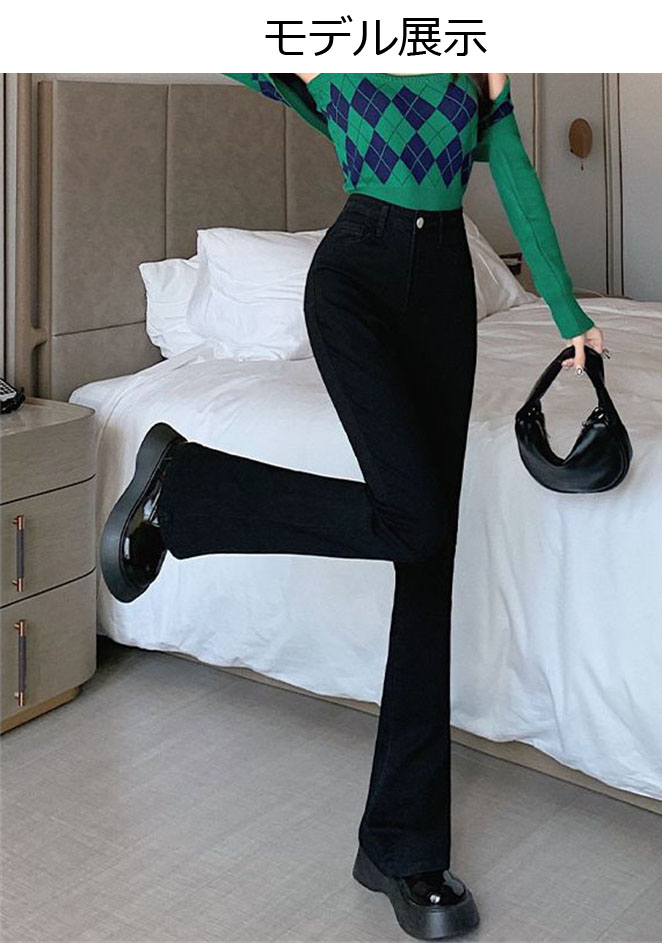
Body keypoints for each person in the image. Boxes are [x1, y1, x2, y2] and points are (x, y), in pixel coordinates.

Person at [99, 73, 605, 940]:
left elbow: (514, 169)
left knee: (428, 556)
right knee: (417, 520)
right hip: (355, 278)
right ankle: (185, 491)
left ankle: (402, 848)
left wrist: (564, 308)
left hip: (445, 285)